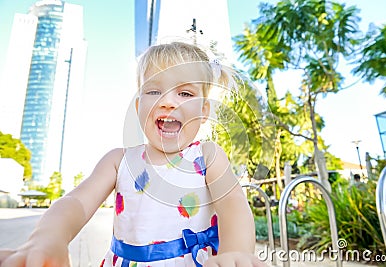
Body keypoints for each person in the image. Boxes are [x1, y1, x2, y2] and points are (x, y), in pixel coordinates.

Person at [0, 42, 263, 267]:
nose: (168, 101)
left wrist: (235, 253)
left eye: (185, 93)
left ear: (204, 110)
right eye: (154, 91)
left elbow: (234, 207)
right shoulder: (119, 161)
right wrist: (48, 236)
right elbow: (76, 203)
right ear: (138, 106)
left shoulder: (208, 156)